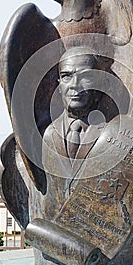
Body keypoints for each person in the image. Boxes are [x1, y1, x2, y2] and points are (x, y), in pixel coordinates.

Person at [41, 46, 107, 219]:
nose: (74, 85)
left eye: (85, 76)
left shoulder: (113, 136)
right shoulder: (49, 135)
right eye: (66, 76)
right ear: (59, 85)